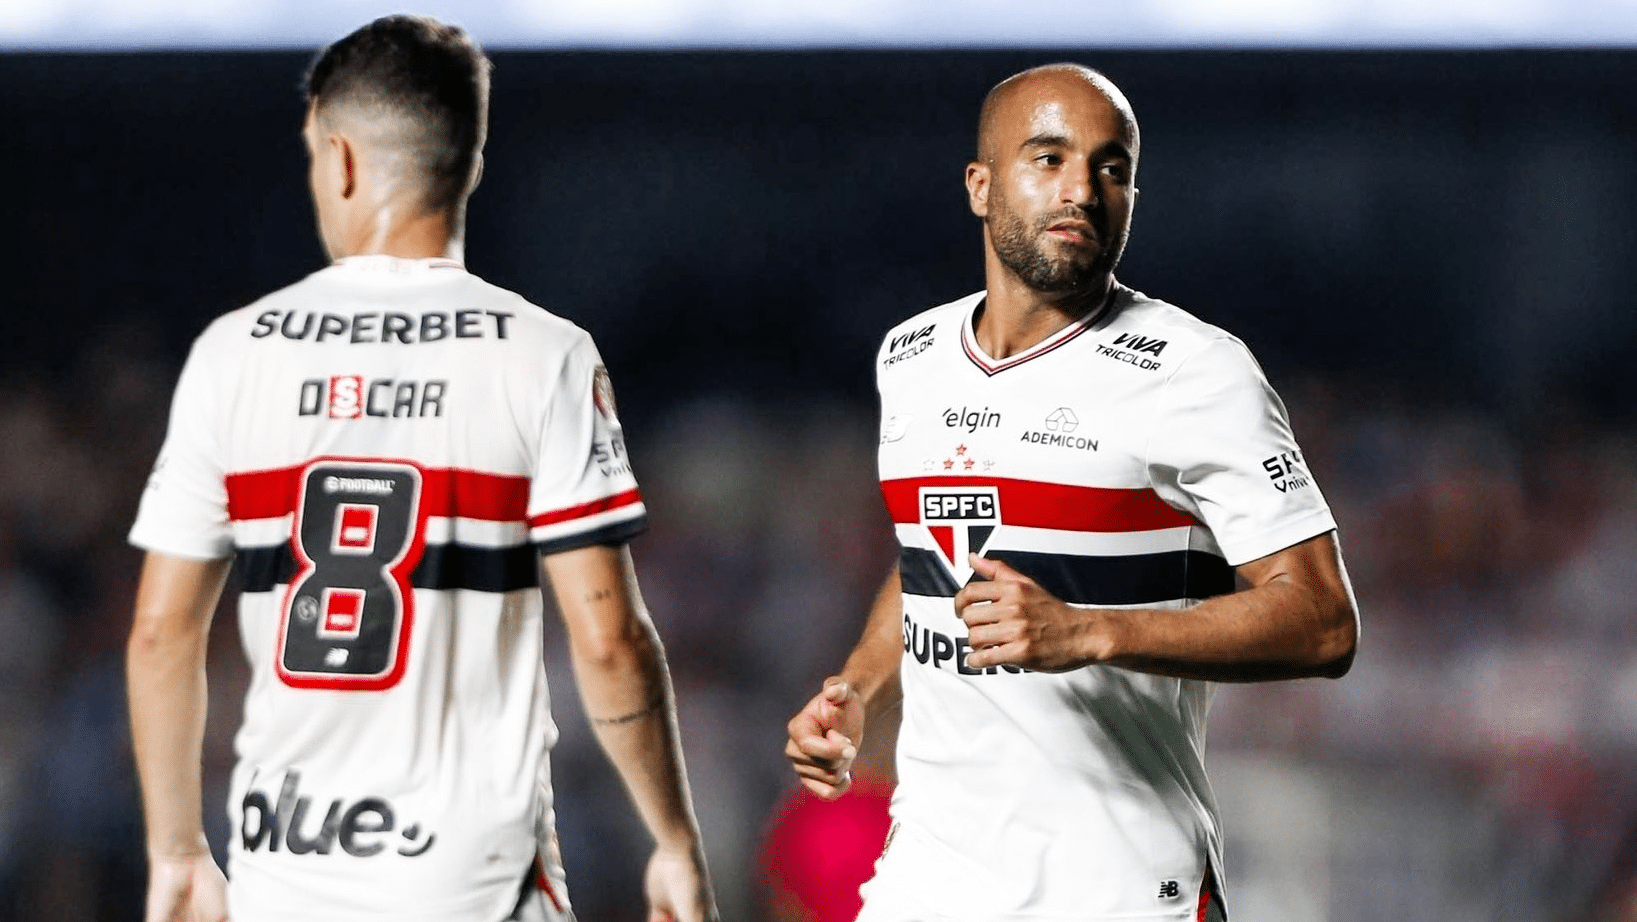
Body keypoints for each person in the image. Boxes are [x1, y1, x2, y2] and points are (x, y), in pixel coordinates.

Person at [125, 15, 717, 922]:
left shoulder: (233, 353)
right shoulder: (542, 353)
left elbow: (163, 635)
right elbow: (609, 640)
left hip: (289, 875)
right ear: (468, 164)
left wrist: (175, 853)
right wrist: (672, 837)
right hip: (473, 881)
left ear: (342, 158)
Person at [785, 63, 1359, 922]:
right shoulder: (911, 355)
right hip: (929, 879)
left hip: (1119, 888)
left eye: (1110, 167)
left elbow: (1322, 623)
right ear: (980, 186)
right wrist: (860, 690)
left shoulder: (1194, 372)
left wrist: (1088, 630)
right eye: (1048, 159)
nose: (1083, 191)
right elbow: (932, 562)